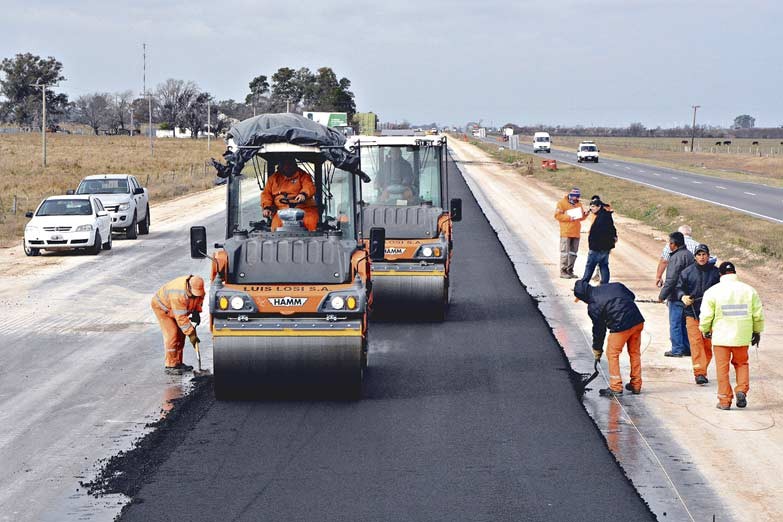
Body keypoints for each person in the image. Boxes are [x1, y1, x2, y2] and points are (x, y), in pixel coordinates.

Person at [699, 262, 764, 410]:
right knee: (742, 364)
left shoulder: (713, 291)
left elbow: (706, 315)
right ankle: (741, 390)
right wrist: (757, 331)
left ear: (720, 274)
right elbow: (758, 315)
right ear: (734, 272)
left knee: (722, 369)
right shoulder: (749, 291)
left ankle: (724, 400)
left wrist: (705, 329)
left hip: (721, 337)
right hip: (742, 336)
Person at [574, 280, 645, 397]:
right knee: (634, 352)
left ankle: (616, 387)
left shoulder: (593, 307)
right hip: (637, 320)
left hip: (620, 326)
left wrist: (597, 349)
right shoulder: (614, 285)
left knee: (612, 354)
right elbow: (631, 296)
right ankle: (636, 384)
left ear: (583, 297)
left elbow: (599, 330)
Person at [675, 244, 720, 384]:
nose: (702, 257)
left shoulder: (715, 273)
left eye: (704, 254)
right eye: (699, 255)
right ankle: (699, 373)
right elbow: (678, 288)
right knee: (696, 343)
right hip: (692, 313)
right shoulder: (686, 272)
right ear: (695, 257)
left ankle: (702, 369)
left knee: (707, 345)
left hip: (711, 314)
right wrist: (682, 296)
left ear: (708, 256)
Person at [151, 275, 205, 375]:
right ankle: (170, 365)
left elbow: (199, 300)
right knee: (172, 334)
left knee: (181, 335)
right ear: (189, 287)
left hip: (177, 310)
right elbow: (181, 319)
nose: (197, 295)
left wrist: (196, 312)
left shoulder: (199, 289)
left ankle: (178, 363)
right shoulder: (178, 294)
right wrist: (192, 334)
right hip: (163, 308)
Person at [659, 231, 694, 357]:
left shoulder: (676, 257)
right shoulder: (689, 255)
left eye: (670, 243)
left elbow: (671, 279)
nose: (669, 245)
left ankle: (677, 349)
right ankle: (687, 348)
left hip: (677, 295)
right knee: (684, 324)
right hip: (688, 295)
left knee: (675, 324)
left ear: (674, 244)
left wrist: (662, 295)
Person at [262, 158, 319, 231]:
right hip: (281, 211)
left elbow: (309, 186)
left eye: (289, 164)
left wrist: (303, 194)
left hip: (304, 209)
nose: (287, 167)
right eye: (285, 165)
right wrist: (267, 208)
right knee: (276, 226)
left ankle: (311, 237)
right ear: (281, 166)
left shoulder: (303, 175)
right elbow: (266, 194)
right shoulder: (273, 179)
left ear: (294, 165)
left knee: (310, 222)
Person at [580, 198, 617, 284]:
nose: (591, 208)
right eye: (590, 206)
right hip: (606, 248)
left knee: (590, 267)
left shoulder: (601, 217)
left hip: (597, 248)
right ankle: (604, 285)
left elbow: (600, 233)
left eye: (593, 206)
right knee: (604, 266)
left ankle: (583, 285)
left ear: (599, 206)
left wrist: (593, 246)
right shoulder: (606, 215)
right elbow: (612, 229)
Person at [554, 187, 587, 279]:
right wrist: (569, 218)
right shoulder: (562, 203)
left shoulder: (579, 204)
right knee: (564, 253)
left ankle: (570, 270)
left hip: (576, 232)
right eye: (575, 196)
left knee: (573, 253)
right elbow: (557, 216)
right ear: (571, 195)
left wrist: (585, 215)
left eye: (578, 197)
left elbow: (580, 218)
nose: (577, 198)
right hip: (566, 232)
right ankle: (563, 271)